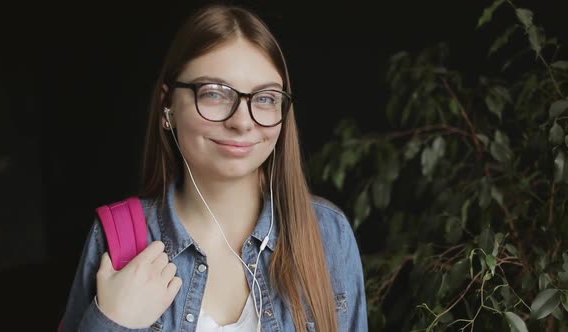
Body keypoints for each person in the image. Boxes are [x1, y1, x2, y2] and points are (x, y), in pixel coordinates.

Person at [59, 3, 367, 331]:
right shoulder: (117, 239)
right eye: (214, 94)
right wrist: (111, 322)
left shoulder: (327, 234)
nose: (242, 122)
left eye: (264, 98)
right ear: (168, 106)